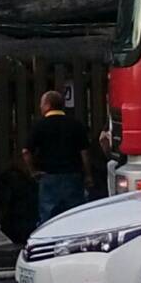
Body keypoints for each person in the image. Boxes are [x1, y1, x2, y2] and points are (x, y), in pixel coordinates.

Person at [22, 90, 93, 222]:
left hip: (48, 176)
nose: (40, 107)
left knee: (48, 215)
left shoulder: (39, 125)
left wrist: (33, 172)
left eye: (41, 104)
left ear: (47, 105)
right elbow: (84, 152)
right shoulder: (75, 124)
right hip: (72, 175)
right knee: (74, 214)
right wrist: (88, 175)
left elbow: (26, 152)